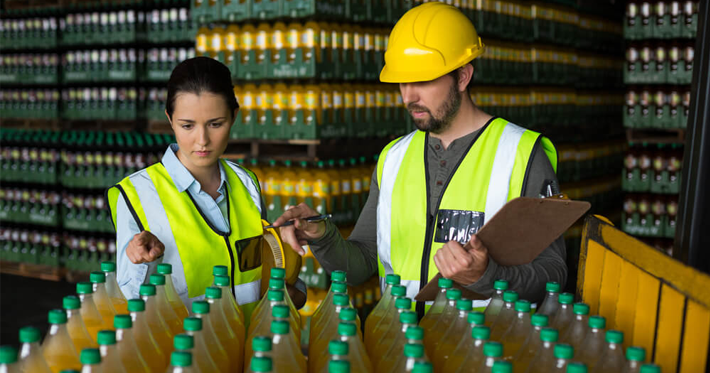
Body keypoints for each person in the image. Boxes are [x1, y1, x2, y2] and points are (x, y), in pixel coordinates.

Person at [273, 3, 566, 316]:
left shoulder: (521, 154)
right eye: (402, 81)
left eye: (423, 80)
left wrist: (488, 278)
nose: (409, 97)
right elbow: (360, 266)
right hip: (399, 347)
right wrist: (323, 238)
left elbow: (554, 273)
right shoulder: (393, 159)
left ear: (463, 76)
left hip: (482, 353)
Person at [107, 57, 305, 318]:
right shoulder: (137, 194)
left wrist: (292, 285)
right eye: (187, 126)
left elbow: (261, 273)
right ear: (170, 119)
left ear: (234, 116)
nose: (202, 140)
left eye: (215, 124)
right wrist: (140, 261)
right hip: (186, 354)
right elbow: (130, 302)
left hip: (249, 349)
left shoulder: (247, 183)